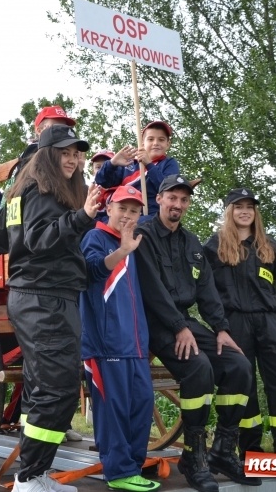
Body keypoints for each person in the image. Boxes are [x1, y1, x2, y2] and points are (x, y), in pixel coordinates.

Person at [0, 124, 101, 492]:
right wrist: (82, 216)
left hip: (41, 296)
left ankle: (35, 473)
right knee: (58, 388)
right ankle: (30, 477)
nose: (73, 159)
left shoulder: (19, 193)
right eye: (65, 152)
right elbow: (40, 238)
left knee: (46, 389)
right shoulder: (43, 190)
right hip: (45, 297)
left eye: (77, 153)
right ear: (48, 155)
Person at [134, 175, 258, 492]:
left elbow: (207, 291)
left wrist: (221, 329)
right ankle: (193, 456)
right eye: (172, 198)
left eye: (184, 199)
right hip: (153, 323)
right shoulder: (143, 235)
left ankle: (222, 452)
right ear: (159, 199)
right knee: (199, 368)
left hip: (185, 322)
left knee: (239, 366)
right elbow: (152, 290)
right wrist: (178, 327)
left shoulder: (191, 242)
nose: (178, 204)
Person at [203, 188, 276, 460]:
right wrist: (218, 325)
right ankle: (250, 451)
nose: (245, 211)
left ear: (256, 212)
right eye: (238, 206)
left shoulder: (268, 245)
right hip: (233, 324)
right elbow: (204, 290)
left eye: (250, 207)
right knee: (243, 387)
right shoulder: (214, 246)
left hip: (268, 321)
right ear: (229, 211)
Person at [80, 186, 160, 492]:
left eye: (134, 211)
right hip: (105, 345)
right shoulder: (94, 238)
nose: (127, 215)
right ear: (108, 208)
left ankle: (132, 468)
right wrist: (123, 250)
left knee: (141, 404)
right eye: (122, 208)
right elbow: (92, 272)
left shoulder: (135, 243)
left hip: (136, 344)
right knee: (112, 410)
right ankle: (118, 472)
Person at [96, 121, 179, 221]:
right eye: (151, 139)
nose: (156, 143)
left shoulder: (169, 163)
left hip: (149, 215)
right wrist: (111, 163)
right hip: (123, 213)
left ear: (168, 144)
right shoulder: (129, 164)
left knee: (136, 226)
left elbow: (168, 190)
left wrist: (149, 164)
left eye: (161, 140)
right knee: (94, 226)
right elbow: (102, 181)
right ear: (142, 142)